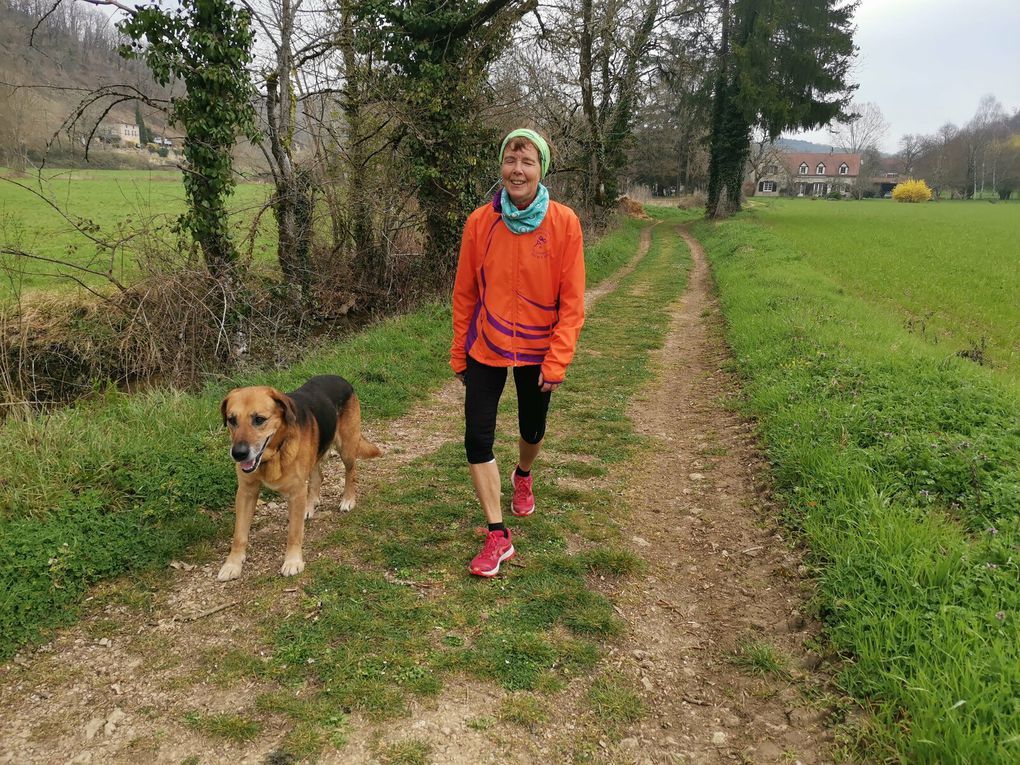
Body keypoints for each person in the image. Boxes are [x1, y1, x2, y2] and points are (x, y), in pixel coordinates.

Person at [450, 128, 586, 577]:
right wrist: (459, 352)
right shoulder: (479, 223)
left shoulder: (564, 223)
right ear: (501, 167)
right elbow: (465, 294)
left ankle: (523, 475)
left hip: (538, 351)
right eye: (511, 160)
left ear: (541, 169)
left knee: (532, 427)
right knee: (477, 439)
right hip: (485, 347)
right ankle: (497, 534)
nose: (517, 169)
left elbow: (572, 303)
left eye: (527, 161)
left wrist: (558, 358)